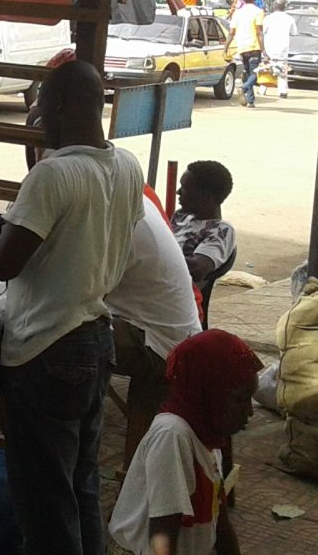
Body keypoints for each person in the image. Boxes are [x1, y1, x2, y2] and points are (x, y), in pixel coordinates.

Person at [0, 60, 141, 555]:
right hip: (96, 338)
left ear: (60, 105)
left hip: (47, 350)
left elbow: (4, 263)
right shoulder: (126, 166)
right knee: (80, 488)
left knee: (47, 506)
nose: (37, 118)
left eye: (41, 107)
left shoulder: (54, 174)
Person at [109, 329, 261, 555]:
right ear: (208, 392)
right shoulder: (172, 436)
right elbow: (162, 537)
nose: (249, 412)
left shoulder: (208, 439)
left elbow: (221, 525)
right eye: (239, 399)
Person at [107, 188, 204, 465]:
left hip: (161, 344)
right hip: (167, 330)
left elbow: (79, 292)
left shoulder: (114, 214)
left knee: (63, 338)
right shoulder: (135, 194)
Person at [170, 160, 237, 286]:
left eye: (184, 188)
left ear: (205, 196)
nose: (178, 192)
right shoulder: (181, 216)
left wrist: (154, 254)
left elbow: (197, 269)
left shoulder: (221, 230)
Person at [226, 0, 265, 108]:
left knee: (248, 73)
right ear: (254, 0)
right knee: (255, 74)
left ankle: (250, 101)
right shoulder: (258, 11)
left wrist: (225, 48)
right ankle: (244, 87)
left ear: (244, 0)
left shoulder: (237, 13)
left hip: (242, 47)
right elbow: (259, 32)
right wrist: (263, 49)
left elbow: (231, 32)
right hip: (254, 47)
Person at [261, 0, 294, 99]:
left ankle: (262, 90)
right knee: (282, 70)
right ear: (285, 8)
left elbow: (263, 32)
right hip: (282, 49)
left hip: (269, 48)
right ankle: (282, 92)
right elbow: (293, 32)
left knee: (266, 69)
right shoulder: (290, 19)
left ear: (274, 7)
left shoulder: (268, 18)